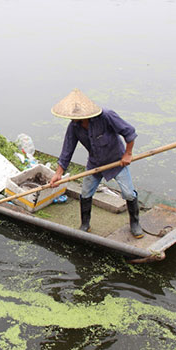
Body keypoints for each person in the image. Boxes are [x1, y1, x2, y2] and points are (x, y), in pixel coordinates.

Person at [49, 89, 144, 238]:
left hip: (117, 162)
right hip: (95, 164)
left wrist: (128, 154)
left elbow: (129, 132)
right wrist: (58, 174)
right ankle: (85, 224)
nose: (73, 119)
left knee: (128, 193)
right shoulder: (74, 126)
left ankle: (135, 223)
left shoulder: (106, 116)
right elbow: (67, 150)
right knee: (86, 193)